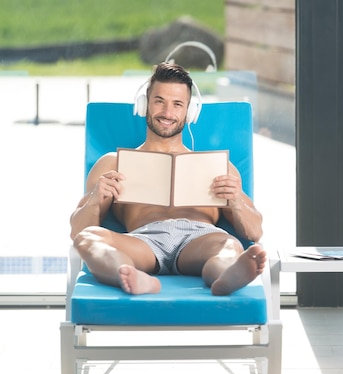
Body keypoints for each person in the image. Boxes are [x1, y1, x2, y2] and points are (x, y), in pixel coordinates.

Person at [70, 62, 266, 296]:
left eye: (177, 104)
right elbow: (77, 231)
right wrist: (95, 198)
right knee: (88, 238)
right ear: (144, 105)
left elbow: (255, 232)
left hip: (200, 238)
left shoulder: (217, 166)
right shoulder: (113, 163)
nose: (167, 113)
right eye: (159, 101)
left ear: (189, 111)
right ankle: (130, 276)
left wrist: (235, 200)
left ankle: (226, 276)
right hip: (143, 240)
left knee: (228, 246)